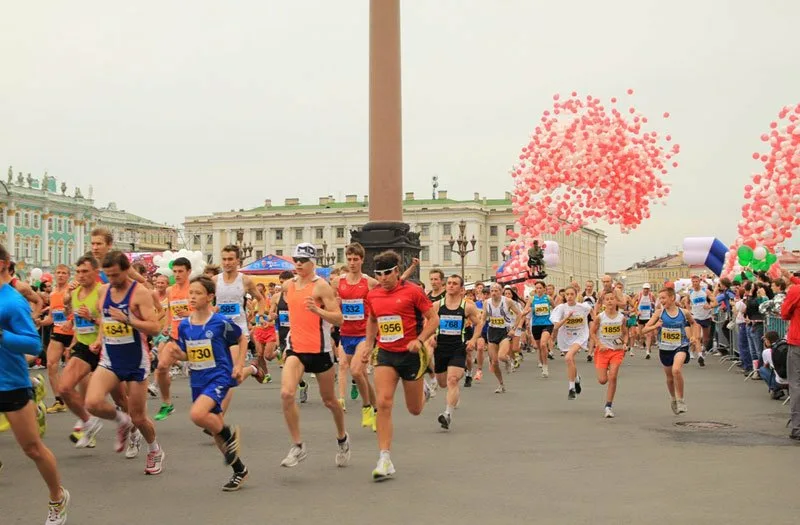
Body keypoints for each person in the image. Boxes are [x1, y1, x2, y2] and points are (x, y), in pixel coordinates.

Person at [0, 244, 70, 524]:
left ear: (2, 264)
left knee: (32, 448)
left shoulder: (12, 301)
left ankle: (57, 496)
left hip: (10, 383)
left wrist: (2, 336)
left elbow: (32, 344)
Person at [84, 251, 164, 474]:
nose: (112, 280)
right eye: (108, 275)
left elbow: (155, 327)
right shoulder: (103, 291)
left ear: (126, 270)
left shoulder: (140, 293)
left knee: (139, 417)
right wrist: (99, 339)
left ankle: (154, 450)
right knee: (92, 403)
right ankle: (122, 420)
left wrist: (129, 319)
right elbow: (105, 319)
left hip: (136, 361)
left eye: (116, 275)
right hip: (110, 359)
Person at [364, 250, 438, 480]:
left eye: (387, 273)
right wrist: (368, 344)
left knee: (414, 410)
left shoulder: (413, 291)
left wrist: (420, 340)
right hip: (386, 354)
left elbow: (433, 319)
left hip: (410, 354)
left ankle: (425, 390)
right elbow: (372, 320)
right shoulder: (373, 295)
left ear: (396, 271)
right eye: (379, 274)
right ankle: (384, 458)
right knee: (383, 402)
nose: (383, 278)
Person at [278, 243, 350, 469]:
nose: (298, 264)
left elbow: (339, 319)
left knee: (329, 401)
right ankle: (298, 445)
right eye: (296, 260)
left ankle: (342, 438)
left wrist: (317, 310)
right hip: (296, 348)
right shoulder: (288, 285)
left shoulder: (321, 287)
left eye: (303, 260)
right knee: (286, 393)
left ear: (313, 262)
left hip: (320, 350)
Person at [176, 276, 249, 491]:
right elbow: (187, 354)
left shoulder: (219, 322)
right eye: (190, 293)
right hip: (198, 379)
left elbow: (242, 338)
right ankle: (239, 470)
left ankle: (229, 434)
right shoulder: (184, 325)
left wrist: (239, 364)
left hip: (219, 375)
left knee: (197, 415)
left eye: (198, 293)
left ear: (209, 297)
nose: (192, 297)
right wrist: (175, 354)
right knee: (213, 426)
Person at [333, 242, 378, 430]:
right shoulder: (338, 282)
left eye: (355, 259)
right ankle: (376, 409)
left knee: (357, 371)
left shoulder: (370, 282)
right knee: (361, 375)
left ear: (362, 260)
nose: (352, 263)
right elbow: (331, 302)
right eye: (349, 259)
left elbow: (382, 300)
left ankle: (366, 407)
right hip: (346, 334)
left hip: (363, 335)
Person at [429, 274, 482, 430]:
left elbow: (478, 324)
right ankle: (454, 396)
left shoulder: (467, 307)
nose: (451, 285)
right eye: (449, 283)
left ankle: (447, 414)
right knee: (442, 383)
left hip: (458, 348)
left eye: (455, 283)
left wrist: (473, 340)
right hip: (440, 348)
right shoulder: (437, 305)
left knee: (452, 380)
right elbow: (429, 322)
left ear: (461, 288)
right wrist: (431, 336)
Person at [643, 287, 697, 414]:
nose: (661, 301)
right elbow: (644, 329)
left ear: (672, 298)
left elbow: (693, 323)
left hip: (681, 345)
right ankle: (673, 398)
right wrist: (656, 325)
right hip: (665, 348)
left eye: (663, 298)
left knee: (676, 370)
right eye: (660, 298)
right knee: (669, 377)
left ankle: (681, 400)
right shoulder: (659, 313)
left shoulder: (684, 312)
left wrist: (694, 336)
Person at [154, 257, 193, 420]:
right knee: (161, 366)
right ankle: (167, 403)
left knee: (203, 377)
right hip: (176, 336)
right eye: (174, 271)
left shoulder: (194, 289)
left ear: (189, 272)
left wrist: (189, 314)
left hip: (195, 338)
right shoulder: (170, 291)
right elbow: (170, 310)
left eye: (180, 271)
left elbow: (207, 311)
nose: (177, 275)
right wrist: (167, 325)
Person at [550, 286, 593, 399]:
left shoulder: (583, 307)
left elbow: (592, 311)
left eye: (572, 294)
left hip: (580, 336)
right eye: (567, 294)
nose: (569, 296)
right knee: (570, 361)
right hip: (565, 337)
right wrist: (567, 317)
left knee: (568, 357)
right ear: (564, 296)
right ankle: (577, 378)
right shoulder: (561, 308)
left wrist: (595, 324)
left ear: (576, 295)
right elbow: (556, 326)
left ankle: (571, 388)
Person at [590, 291, 628, 417]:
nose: (610, 301)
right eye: (607, 299)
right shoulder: (600, 317)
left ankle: (608, 406)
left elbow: (625, 333)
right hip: (603, 351)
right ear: (603, 302)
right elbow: (592, 332)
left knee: (613, 376)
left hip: (617, 350)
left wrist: (625, 343)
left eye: (612, 299)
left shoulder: (621, 317)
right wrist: (599, 344)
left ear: (616, 301)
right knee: (602, 380)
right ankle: (606, 371)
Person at [44, 265, 74, 414]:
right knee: (51, 364)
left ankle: (78, 397)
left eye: (64, 273)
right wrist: (39, 321)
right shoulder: (53, 293)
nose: (61, 275)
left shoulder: (72, 291)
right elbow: (51, 317)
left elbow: (78, 310)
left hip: (74, 333)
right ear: (55, 275)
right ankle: (59, 401)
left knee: (74, 369)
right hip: (58, 331)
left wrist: (71, 322)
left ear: (68, 275)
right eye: (58, 273)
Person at [482, 283, 522, 393]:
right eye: (492, 291)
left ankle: (508, 360)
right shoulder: (486, 303)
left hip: (504, 331)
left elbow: (519, 314)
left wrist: (513, 329)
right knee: (494, 362)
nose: (494, 293)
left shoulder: (507, 301)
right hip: (492, 331)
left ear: (501, 291)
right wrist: (479, 329)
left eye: (496, 291)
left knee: (501, 356)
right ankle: (501, 384)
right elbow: (483, 318)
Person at [780, 276, 800, 440]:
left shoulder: (795, 290)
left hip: (797, 342)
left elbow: (785, 313)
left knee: (796, 384)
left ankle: (797, 427)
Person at [520, 281, 554, 378]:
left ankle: (545, 366)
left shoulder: (548, 298)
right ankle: (541, 361)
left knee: (543, 344)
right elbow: (525, 310)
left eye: (540, 288)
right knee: (539, 347)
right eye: (537, 288)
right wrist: (527, 314)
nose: (538, 290)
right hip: (536, 325)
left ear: (544, 289)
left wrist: (555, 320)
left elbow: (556, 309)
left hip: (547, 324)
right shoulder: (532, 299)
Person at [687, 275, 717, 367]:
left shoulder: (705, 291)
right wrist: (689, 311)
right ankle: (699, 356)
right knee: (697, 337)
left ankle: (702, 352)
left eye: (696, 281)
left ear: (699, 282)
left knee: (706, 339)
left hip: (706, 317)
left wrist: (710, 306)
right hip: (696, 317)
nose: (695, 283)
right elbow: (687, 302)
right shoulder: (690, 292)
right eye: (693, 282)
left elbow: (715, 302)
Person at [634, 283, 655, 359]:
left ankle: (647, 351)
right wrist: (637, 312)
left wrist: (654, 311)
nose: (646, 290)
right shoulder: (639, 295)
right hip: (640, 317)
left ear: (649, 289)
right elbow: (632, 304)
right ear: (642, 289)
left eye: (647, 289)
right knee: (641, 333)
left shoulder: (651, 296)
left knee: (649, 334)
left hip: (649, 317)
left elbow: (656, 304)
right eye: (645, 289)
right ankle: (642, 342)